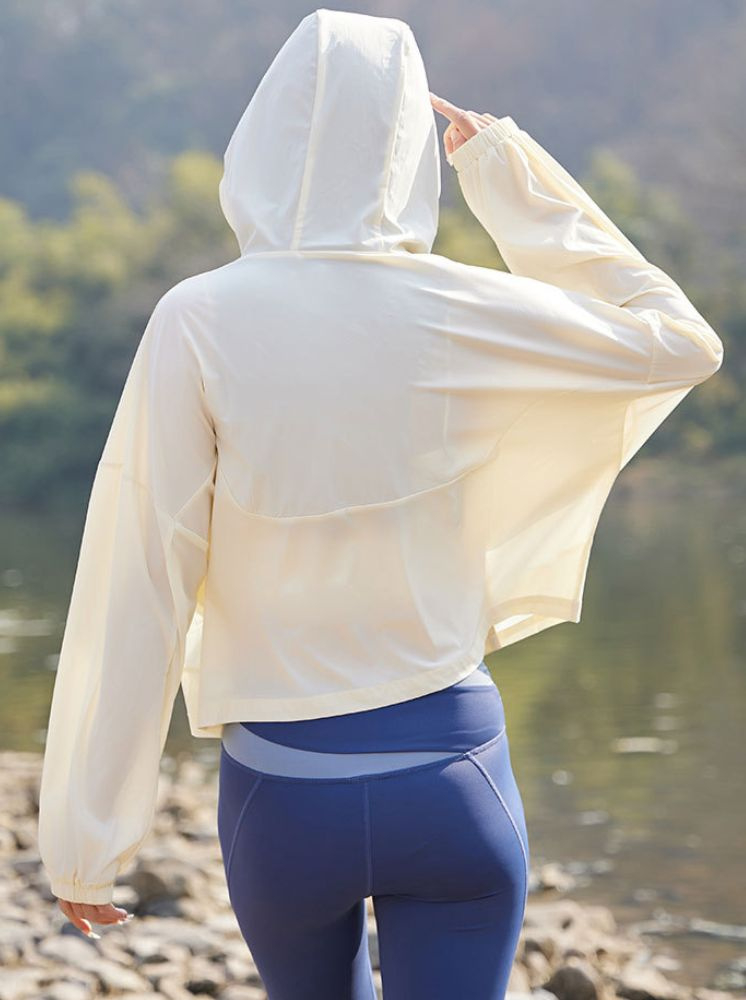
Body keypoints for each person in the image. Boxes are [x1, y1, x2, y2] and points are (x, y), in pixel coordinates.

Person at [37, 8, 724, 1000]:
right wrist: (509, 175)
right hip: (453, 781)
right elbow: (678, 342)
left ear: (263, 141)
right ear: (407, 155)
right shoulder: (459, 302)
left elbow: (141, 575)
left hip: (285, 792)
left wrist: (90, 840)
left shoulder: (199, 318)